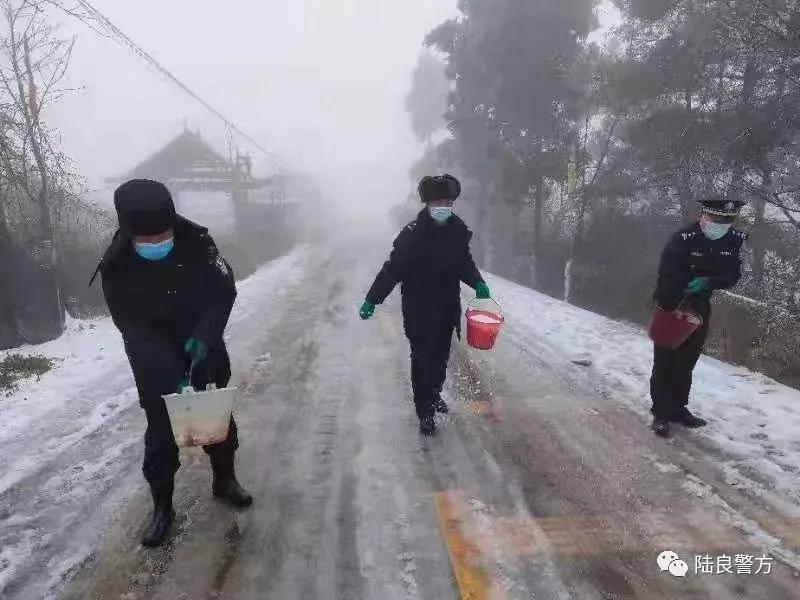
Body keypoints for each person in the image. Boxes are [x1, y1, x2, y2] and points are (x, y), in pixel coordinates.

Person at [95, 179, 252, 547]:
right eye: (146, 241)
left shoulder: (199, 242)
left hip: (202, 342)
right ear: (129, 232)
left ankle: (224, 479)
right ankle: (162, 507)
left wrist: (205, 334)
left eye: (162, 236)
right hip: (153, 354)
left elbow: (223, 289)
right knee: (162, 431)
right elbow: (132, 328)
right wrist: (170, 377)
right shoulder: (116, 267)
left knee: (216, 417)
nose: (156, 245)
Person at [359, 174, 491, 436]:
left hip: (446, 308)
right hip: (419, 309)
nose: (445, 206)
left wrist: (477, 282)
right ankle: (425, 412)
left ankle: (434, 393)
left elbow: (463, 262)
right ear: (428, 204)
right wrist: (372, 299)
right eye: (440, 201)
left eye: (449, 202)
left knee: (441, 358)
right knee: (422, 361)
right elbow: (392, 270)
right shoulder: (412, 235)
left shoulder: (456, 230)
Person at [650, 197, 748, 437]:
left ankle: (678, 408)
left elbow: (732, 274)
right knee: (666, 359)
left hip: (700, 305)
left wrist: (710, 282)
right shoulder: (682, 239)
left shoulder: (732, 240)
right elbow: (666, 274)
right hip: (672, 302)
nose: (720, 224)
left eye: (726, 221)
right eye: (716, 219)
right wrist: (673, 304)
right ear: (702, 217)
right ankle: (661, 412)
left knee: (687, 360)